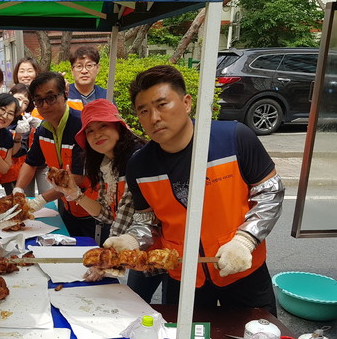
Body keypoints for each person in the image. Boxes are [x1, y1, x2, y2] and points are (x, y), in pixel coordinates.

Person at [106, 65, 284, 314]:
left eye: (162, 104)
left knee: (257, 335)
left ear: (187, 103)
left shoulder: (233, 139)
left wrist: (246, 240)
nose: (154, 117)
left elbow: (270, 193)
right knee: (185, 337)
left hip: (243, 269)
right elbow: (148, 222)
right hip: (183, 276)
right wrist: (133, 239)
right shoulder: (140, 165)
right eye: (143, 111)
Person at [50, 99, 164, 302]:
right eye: (90, 131)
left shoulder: (136, 159)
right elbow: (107, 214)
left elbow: (126, 217)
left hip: (158, 246)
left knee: (156, 308)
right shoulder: (106, 164)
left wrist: (104, 260)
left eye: (103, 126)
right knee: (135, 301)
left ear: (118, 127)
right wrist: (75, 193)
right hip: (137, 247)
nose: (97, 134)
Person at [13, 71, 98, 238]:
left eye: (51, 98)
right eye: (39, 100)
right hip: (68, 207)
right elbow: (30, 162)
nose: (45, 105)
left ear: (65, 94)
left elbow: (78, 178)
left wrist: (40, 200)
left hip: (92, 211)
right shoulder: (42, 130)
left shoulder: (82, 127)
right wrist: (18, 189)